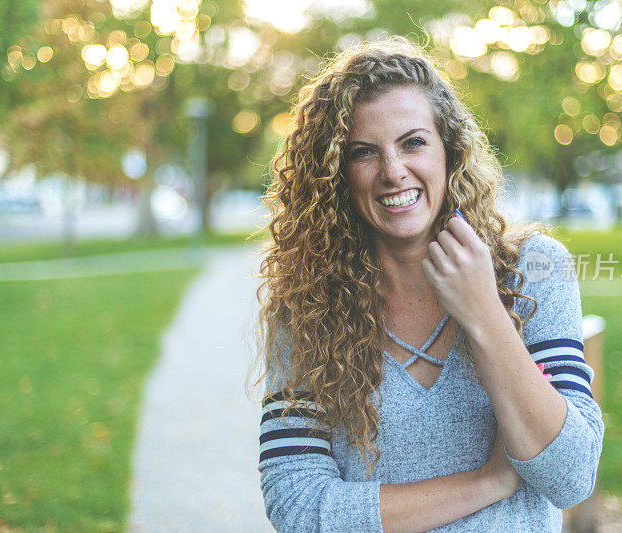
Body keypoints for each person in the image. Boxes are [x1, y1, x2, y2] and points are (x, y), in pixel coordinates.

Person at [250, 37, 603, 532]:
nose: (394, 172)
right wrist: (487, 483)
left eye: (413, 142)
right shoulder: (307, 305)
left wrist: (483, 312)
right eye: (363, 152)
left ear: (449, 151)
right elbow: (299, 511)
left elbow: (571, 477)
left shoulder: (534, 270)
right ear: (337, 173)